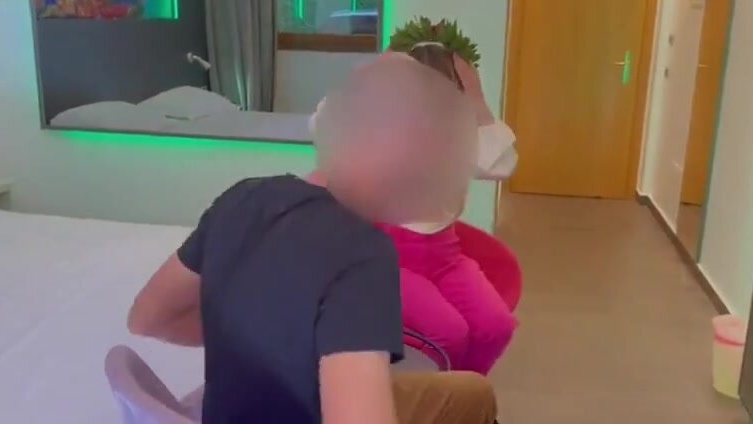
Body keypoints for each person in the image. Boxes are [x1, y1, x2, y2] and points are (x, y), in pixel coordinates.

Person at [126, 54, 498, 423]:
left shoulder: (245, 196)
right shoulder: (364, 258)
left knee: (472, 390)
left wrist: (257, 342)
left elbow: (147, 318)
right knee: (473, 399)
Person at [307, 22, 518, 375]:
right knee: (449, 333)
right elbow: (323, 123)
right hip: (389, 262)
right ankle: (437, 392)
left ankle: (460, 392)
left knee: (496, 326)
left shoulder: (456, 139)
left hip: (445, 258)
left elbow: (501, 164)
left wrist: (478, 99)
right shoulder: (374, 134)